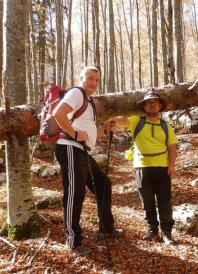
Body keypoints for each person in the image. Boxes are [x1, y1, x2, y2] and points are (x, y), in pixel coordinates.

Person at [53, 66, 121, 255]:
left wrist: (105, 131)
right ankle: (73, 241)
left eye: (97, 80)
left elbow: (88, 134)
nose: (93, 82)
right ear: (81, 78)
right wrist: (74, 134)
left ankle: (106, 228)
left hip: (81, 150)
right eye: (90, 78)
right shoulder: (77, 93)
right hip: (69, 147)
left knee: (103, 184)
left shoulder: (89, 102)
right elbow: (58, 114)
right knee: (75, 193)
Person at [106, 90, 178, 245]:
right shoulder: (136, 122)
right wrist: (113, 119)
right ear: (144, 106)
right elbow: (123, 120)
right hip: (142, 167)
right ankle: (152, 230)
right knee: (147, 201)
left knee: (165, 201)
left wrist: (171, 166)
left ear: (160, 106)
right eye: (149, 102)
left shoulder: (165, 126)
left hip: (162, 167)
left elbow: (172, 147)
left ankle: (167, 233)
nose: (152, 105)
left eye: (155, 102)